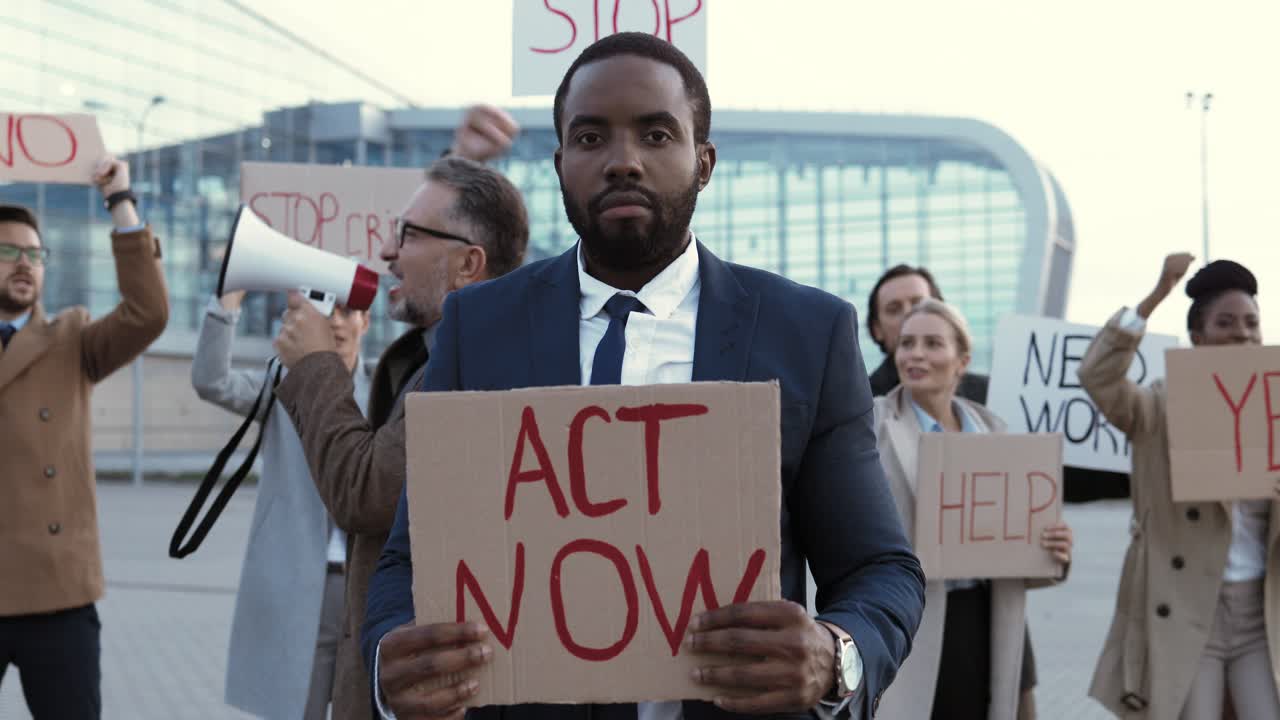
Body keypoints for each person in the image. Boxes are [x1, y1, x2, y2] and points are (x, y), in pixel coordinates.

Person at [365, 32, 925, 720]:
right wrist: (388, 661)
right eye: (592, 138)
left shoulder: (806, 334)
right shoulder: (477, 328)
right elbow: (408, 561)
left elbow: (879, 571)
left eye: (657, 135)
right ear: (560, 162)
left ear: (704, 162)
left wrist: (837, 657)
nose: (624, 162)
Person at [269, 108, 529, 719]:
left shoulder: (473, 372)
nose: (387, 250)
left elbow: (364, 493)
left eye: (408, 235)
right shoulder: (440, 354)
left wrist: (315, 367)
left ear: (469, 264)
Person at [0, 157, 168, 719]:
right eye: (8, 251)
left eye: (34, 254)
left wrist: (119, 198)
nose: (24, 264)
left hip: (59, 596)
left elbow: (148, 312)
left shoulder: (69, 338)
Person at [1081, 253, 1280, 720]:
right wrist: (1153, 299)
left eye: (1252, 323)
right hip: (1192, 612)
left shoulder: (1273, 409)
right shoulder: (1156, 407)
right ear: (1197, 337)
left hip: (1261, 612)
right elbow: (1098, 376)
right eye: (1226, 323)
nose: (1242, 334)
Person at [871, 299, 1073, 720]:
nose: (916, 354)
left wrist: (1050, 547)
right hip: (910, 620)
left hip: (983, 617)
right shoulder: (870, 425)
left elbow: (1009, 542)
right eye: (907, 343)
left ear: (962, 361)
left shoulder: (995, 431)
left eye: (932, 343)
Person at [191, 289, 372, 719]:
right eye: (327, 311)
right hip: (300, 584)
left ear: (366, 321)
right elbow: (211, 380)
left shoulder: (389, 387)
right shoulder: (283, 384)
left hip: (366, 584)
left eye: (350, 311)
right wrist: (228, 301)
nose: (338, 323)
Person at [865, 264, 988, 401]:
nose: (909, 315)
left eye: (920, 305)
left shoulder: (988, 394)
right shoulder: (862, 404)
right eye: (894, 309)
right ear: (877, 330)